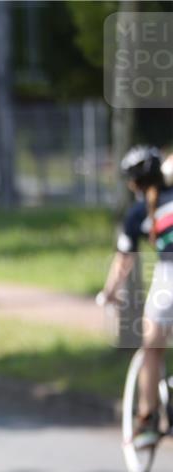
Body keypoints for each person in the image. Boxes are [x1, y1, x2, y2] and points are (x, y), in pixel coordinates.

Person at [100, 145, 173, 450]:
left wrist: (108, 293)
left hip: (169, 278)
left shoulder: (138, 214)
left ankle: (147, 420)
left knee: (151, 344)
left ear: (133, 184)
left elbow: (123, 261)